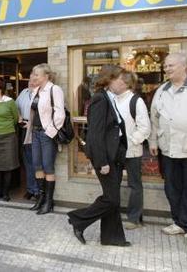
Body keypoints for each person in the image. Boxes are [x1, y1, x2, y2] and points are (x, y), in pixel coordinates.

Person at [67, 66, 131, 247]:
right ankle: (78, 219)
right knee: (111, 199)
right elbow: (95, 134)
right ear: (109, 80)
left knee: (113, 199)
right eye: (120, 80)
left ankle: (112, 238)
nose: (124, 83)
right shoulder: (100, 99)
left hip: (115, 156)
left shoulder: (111, 98)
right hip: (105, 158)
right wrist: (102, 161)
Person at [149, 52, 187, 243]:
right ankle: (179, 223)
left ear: (184, 67)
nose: (167, 69)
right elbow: (154, 117)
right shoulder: (162, 90)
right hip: (168, 148)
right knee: (172, 188)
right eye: (165, 66)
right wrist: (153, 141)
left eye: (171, 65)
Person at [24, 64, 65, 214]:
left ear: (46, 76)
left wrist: (50, 132)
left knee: (48, 167)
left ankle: (49, 202)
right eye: (33, 74)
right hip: (35, 133)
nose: (34, 77)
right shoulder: (35, 90)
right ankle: (41, 199)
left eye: (37, 75)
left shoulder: (54, 90)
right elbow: (35, 112)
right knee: (37, 166)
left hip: (47, 134)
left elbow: (60, 114)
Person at [114, 70, 151, 230]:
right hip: (115, 150)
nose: (112, 82)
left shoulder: (136, 101)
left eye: (115, 80)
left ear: (124, 83)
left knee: (134, 184)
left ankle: (134, 218)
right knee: (113, 183)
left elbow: (145, 128)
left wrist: (131, 142)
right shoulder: (113, 99)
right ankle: (112, 214)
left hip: (132, 150)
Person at [15, 70, 40, 201]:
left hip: (35, 129)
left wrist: (31, 123)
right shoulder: (24, 92)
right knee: (27, 161)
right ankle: (30, 189)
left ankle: (37, 190)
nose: (31, 82)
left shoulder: (41, 94)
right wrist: (19, 117)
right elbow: (16, 107)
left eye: (33, 80)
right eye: (29, 80)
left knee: (36, 161)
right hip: (24, 128)